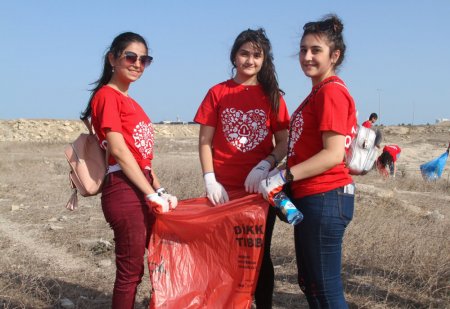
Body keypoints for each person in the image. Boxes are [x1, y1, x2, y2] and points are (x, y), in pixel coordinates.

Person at [260, 15, 357, 308]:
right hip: (312, 197)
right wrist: (273, 168)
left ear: (335, 55)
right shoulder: (316, 92)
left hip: (326, 196)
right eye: (303, 50)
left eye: (316, 50)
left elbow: (333, 154)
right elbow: (306, 148)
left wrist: (284, 176)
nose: (307, 56)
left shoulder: (331, 92)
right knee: (311, 286)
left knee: (326, 290)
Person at [80, 32, 177, 309]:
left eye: (144, 59)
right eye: (130, 57)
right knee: (130, 273)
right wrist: (150, 194)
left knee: (142, 269)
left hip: (140, 184)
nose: (137, 63)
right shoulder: (107, 96)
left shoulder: (131, 101)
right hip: (124, 189)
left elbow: (142, 158)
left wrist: (160, 190)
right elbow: (120, 152)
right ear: (113, 58)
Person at [194, 28, 290, 308]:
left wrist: (267, 163)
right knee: (224, 254)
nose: (250, 60)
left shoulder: (272, 96)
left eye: (256, 55)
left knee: (260, 255)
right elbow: (204, 142)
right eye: (244, 53)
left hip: (259, 194)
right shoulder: (217, 92)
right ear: (234, 56)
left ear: (264, 60)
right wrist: (210, 179)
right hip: (223, 192)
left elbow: (284, 141)